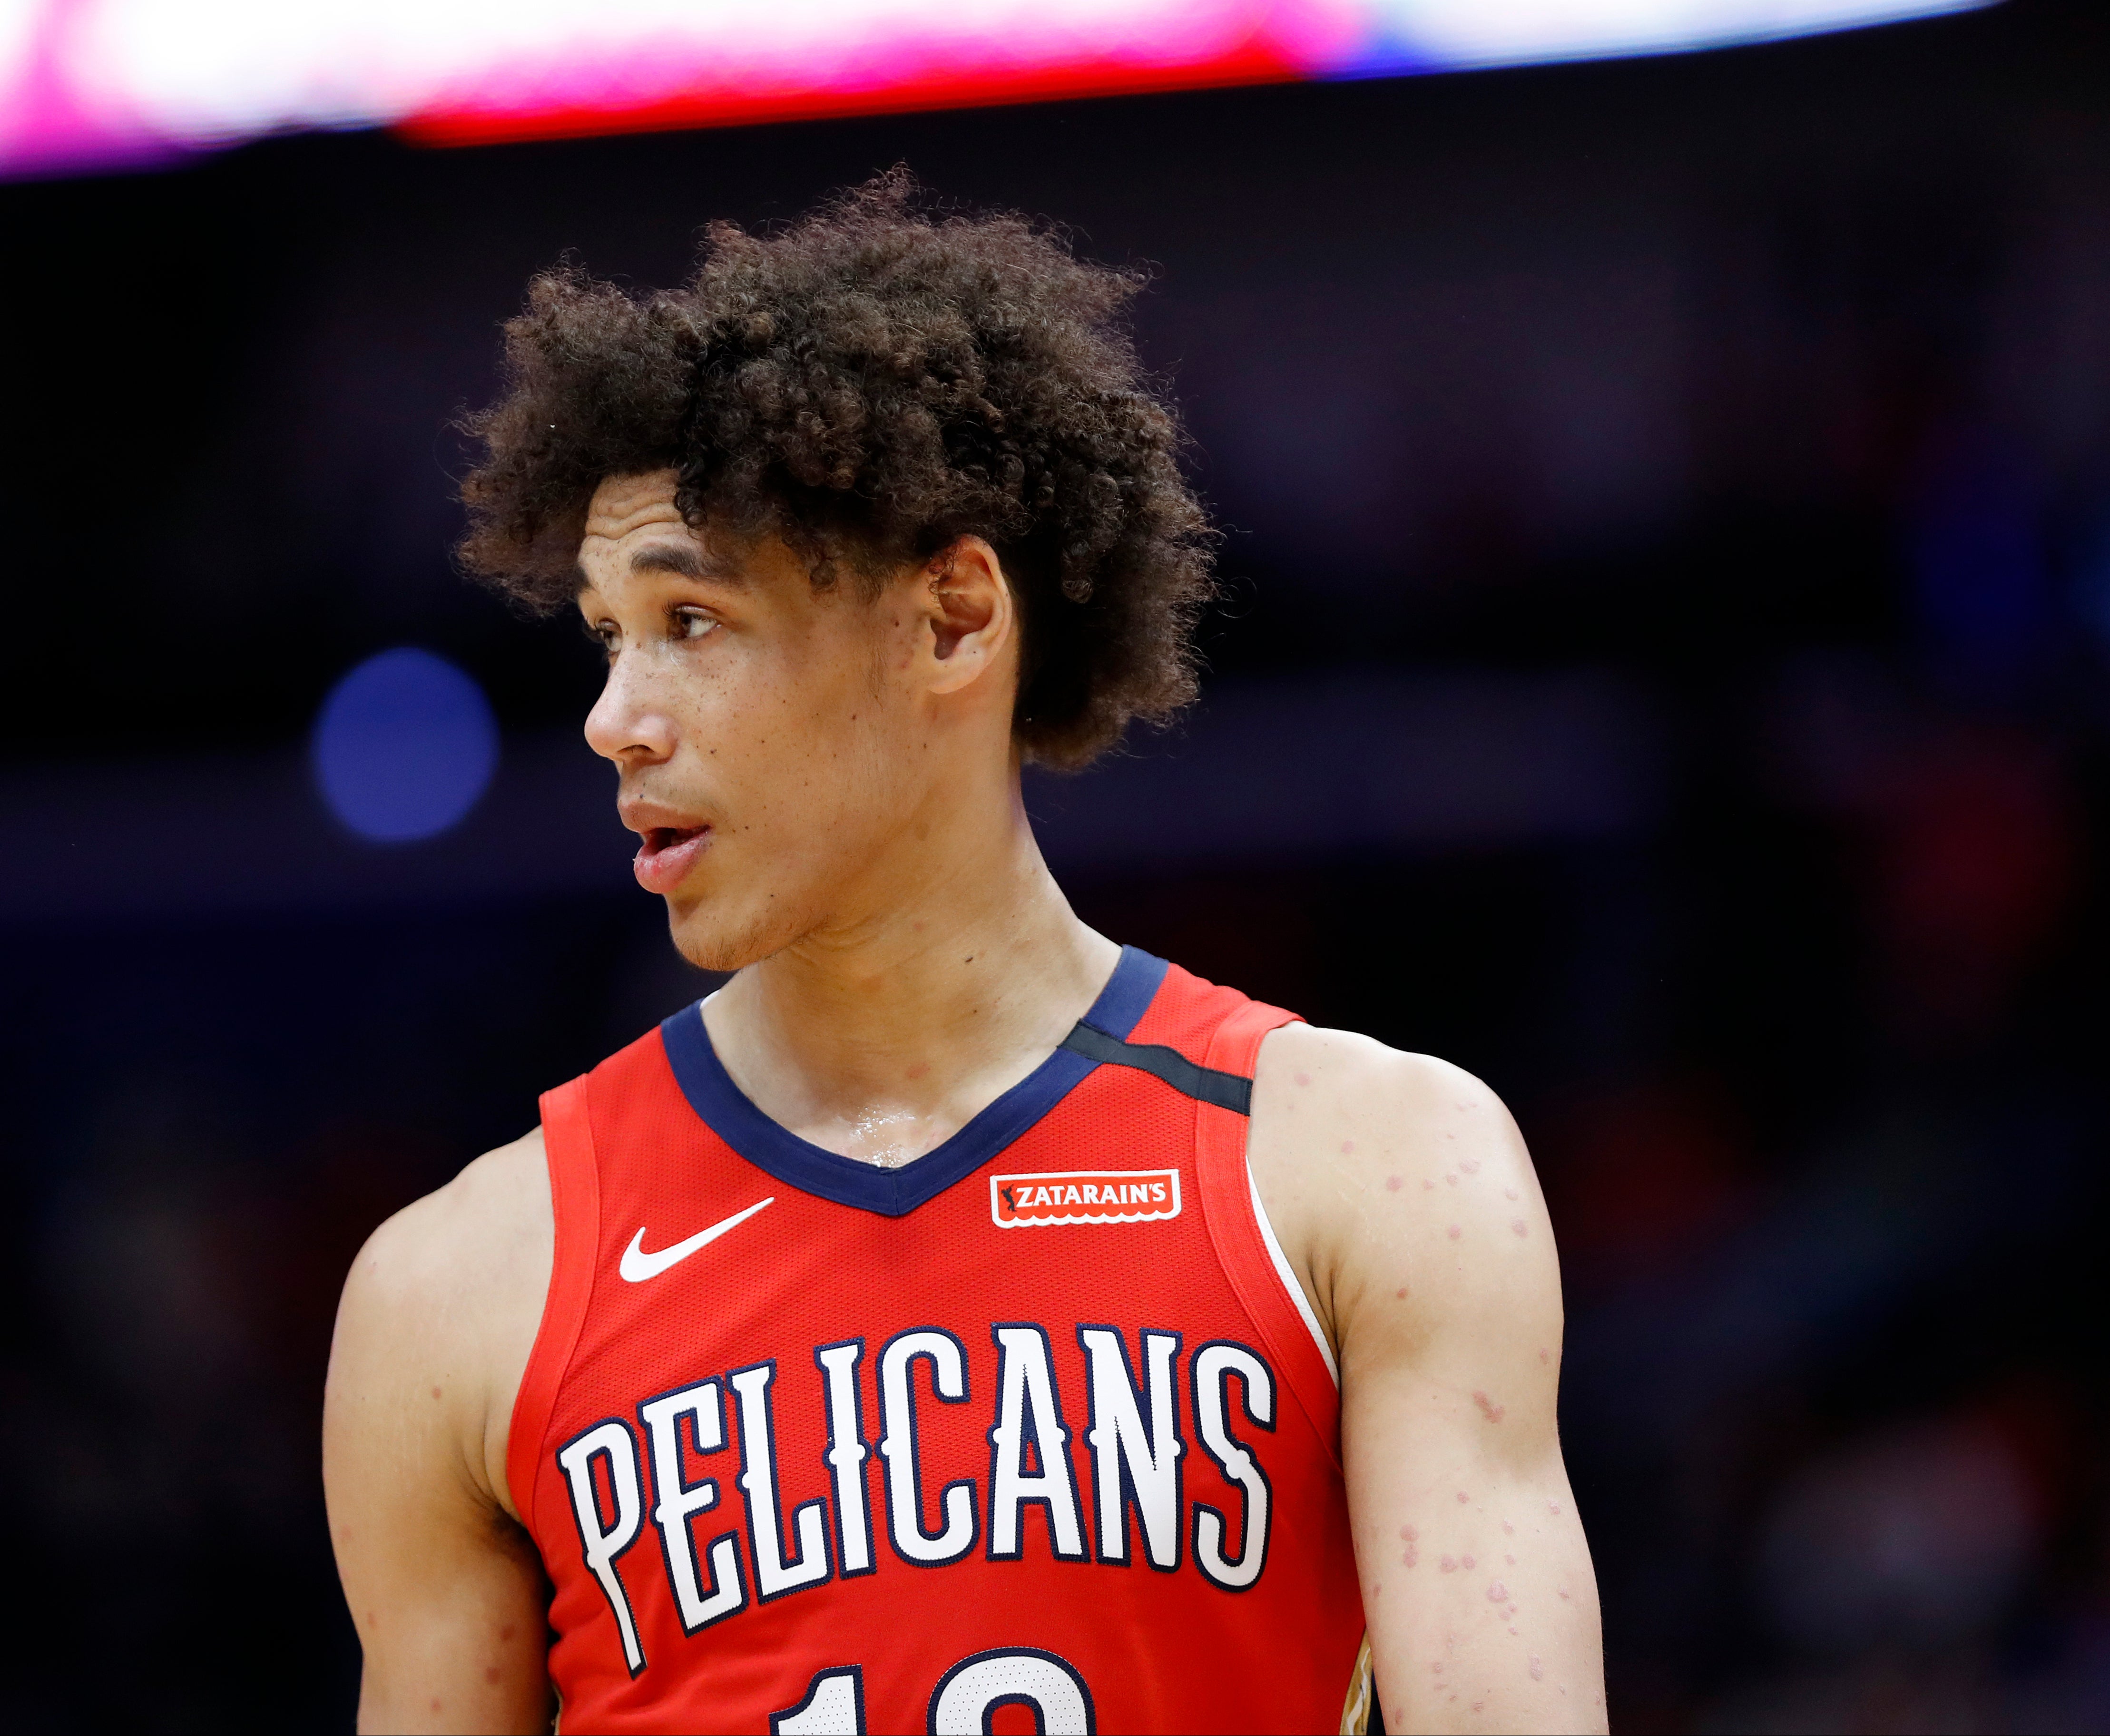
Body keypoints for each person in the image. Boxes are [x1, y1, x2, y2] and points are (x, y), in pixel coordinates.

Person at [323, 175, 1607, 1735]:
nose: (616, 717)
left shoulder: (1369, 1168)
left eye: (693, 621)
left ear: (951, 619)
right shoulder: (456, 1289)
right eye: (606, 632)